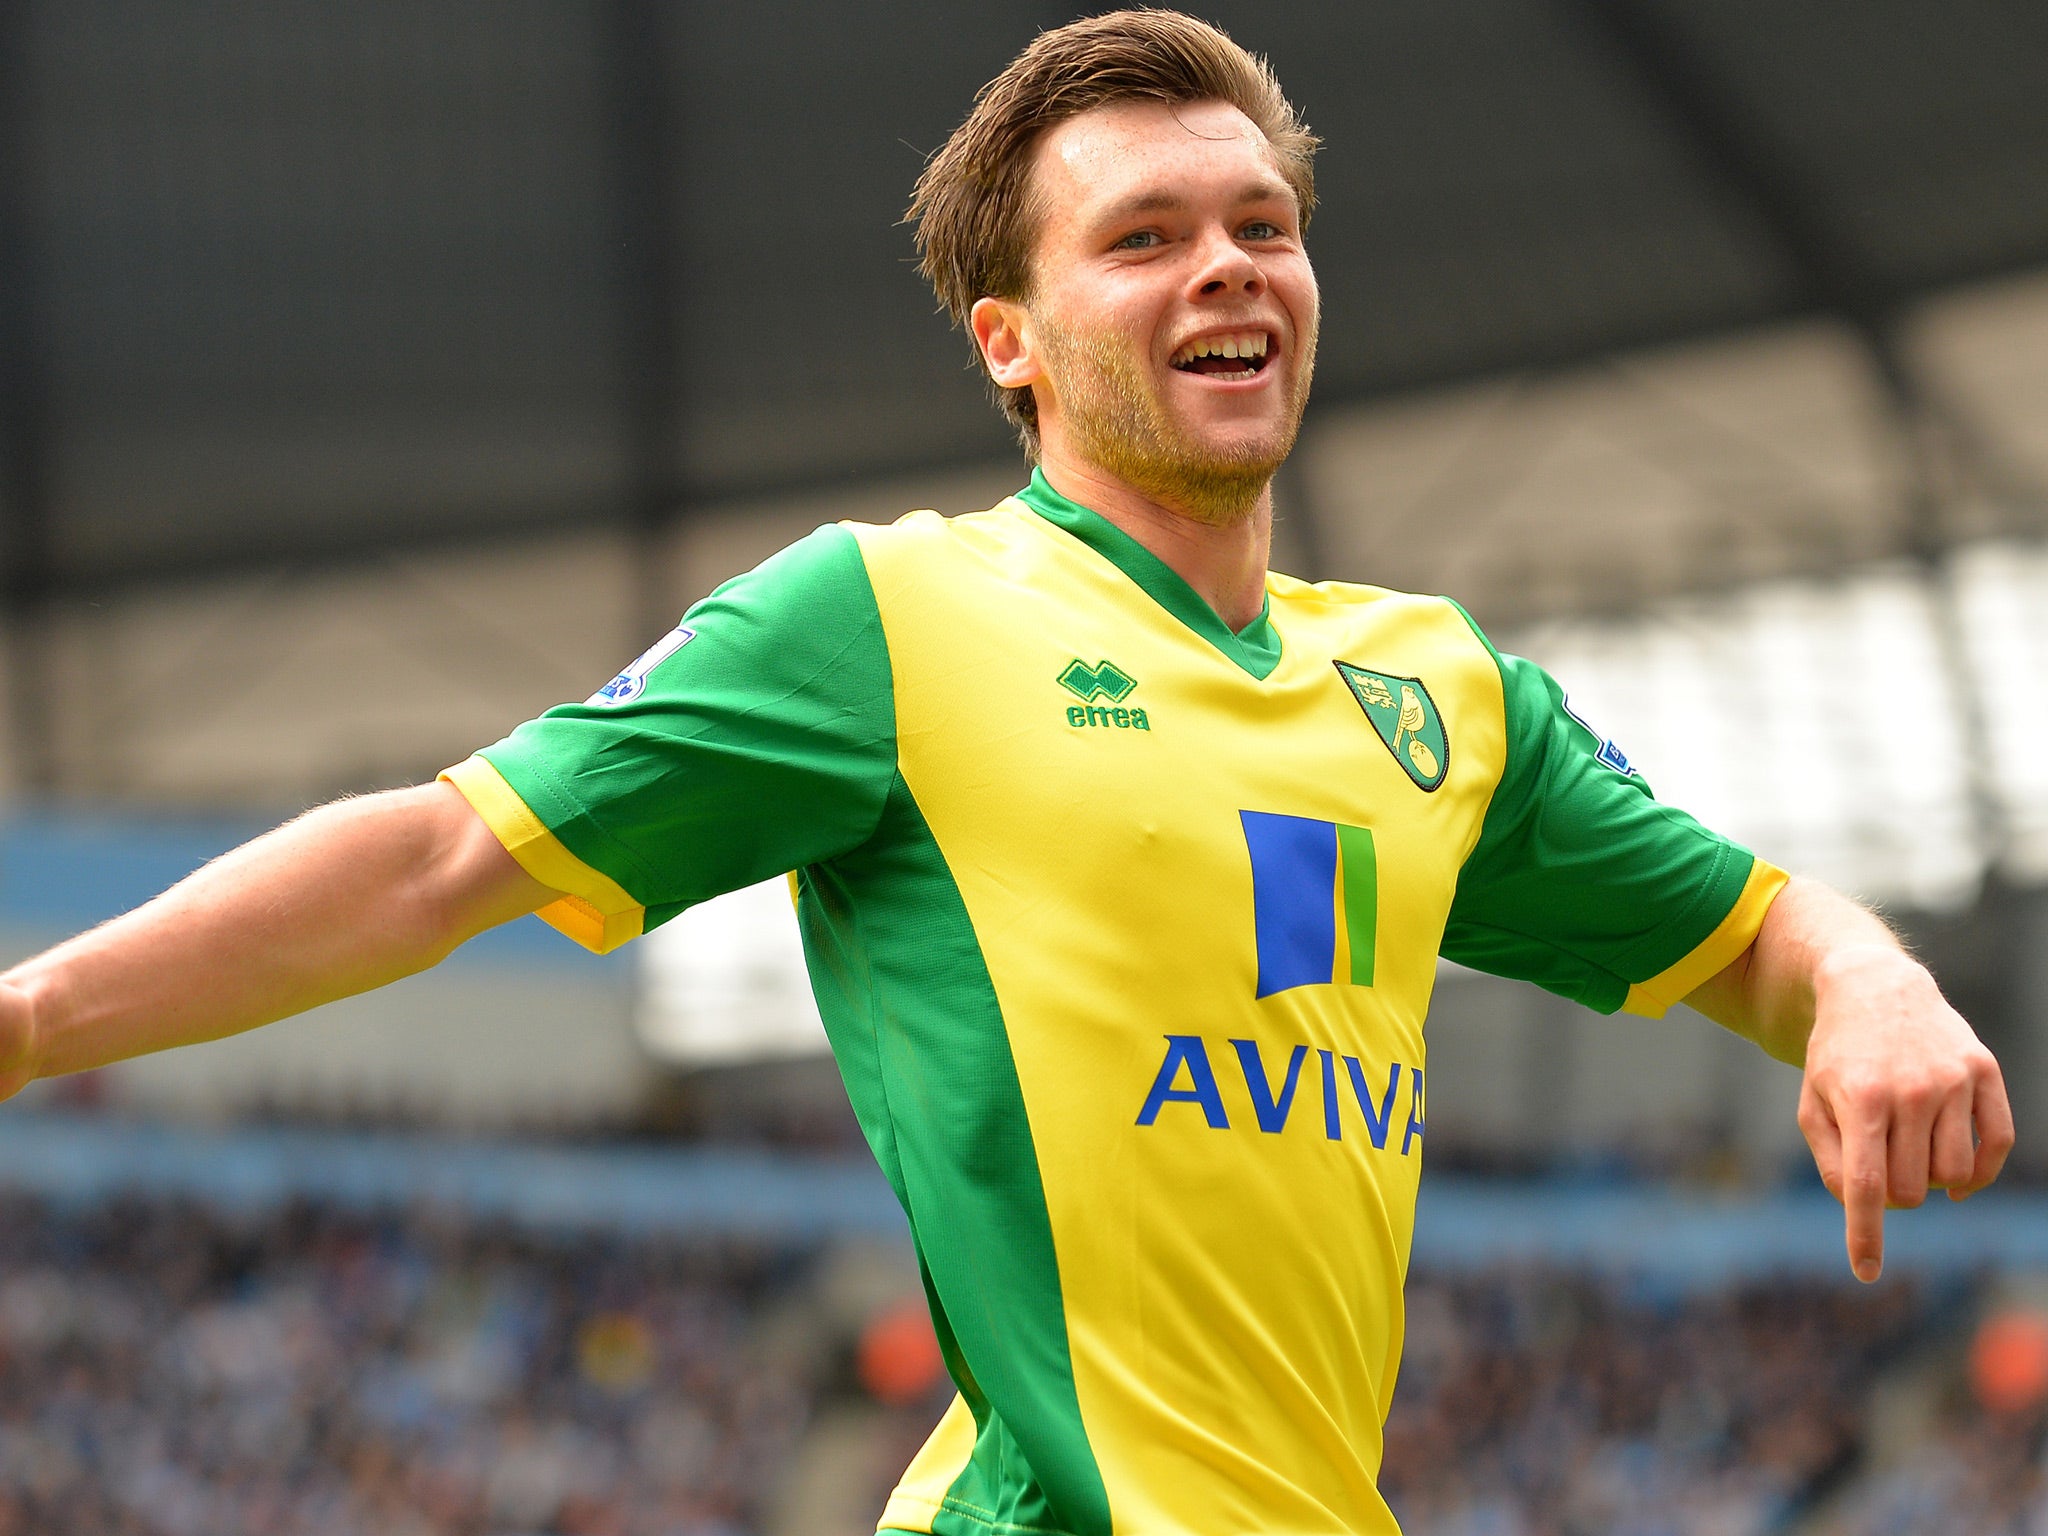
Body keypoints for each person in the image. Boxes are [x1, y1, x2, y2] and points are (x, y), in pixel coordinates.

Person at [0, 12, 2012, 1535]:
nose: (1226, 266)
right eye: (1142, 238)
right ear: (1010, 342)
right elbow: (440, 857)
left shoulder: (1437, 692)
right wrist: (25, 1023)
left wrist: (1867, 978)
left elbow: (1749, 927)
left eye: (1260, 226)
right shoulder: (883, 622)